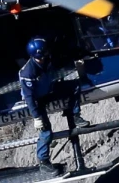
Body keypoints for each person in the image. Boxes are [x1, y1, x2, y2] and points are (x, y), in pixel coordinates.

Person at [20, 36, 86, 173]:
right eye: (44, 52)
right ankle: (43, 162)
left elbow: (59, 63)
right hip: (37, 100)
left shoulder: (47, 60)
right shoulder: (28, 72)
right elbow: (29, 97)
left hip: (49, 90)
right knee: (46, 133)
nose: (47, 54)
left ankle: (75, 115)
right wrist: (37, 117)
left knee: (74, 86)